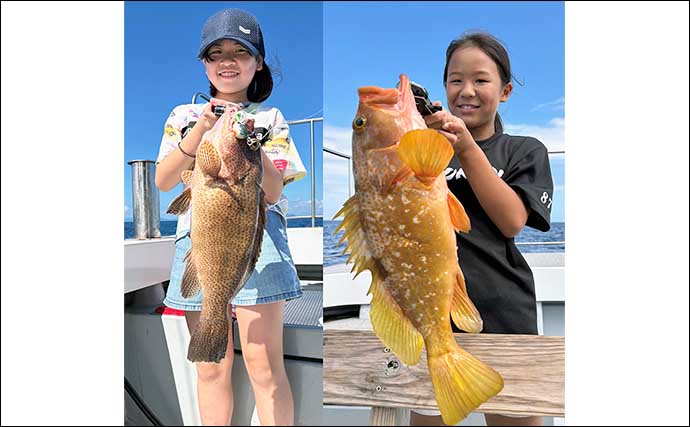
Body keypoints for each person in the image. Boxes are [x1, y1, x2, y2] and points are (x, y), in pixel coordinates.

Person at [154, 8, 307, 426]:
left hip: (261, 249)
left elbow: (274, 191)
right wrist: (201, 130)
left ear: (257, 62)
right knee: (211, 367)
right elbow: (166, 180)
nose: (227, 60)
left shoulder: (270, 120)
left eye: (240, 51)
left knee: (263, 364)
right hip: (198, 248)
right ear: (203, 63)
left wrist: (252, 148)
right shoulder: (184, 117)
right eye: (215, 52)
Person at [409, 32, 554, 427]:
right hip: (431, 314)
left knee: (515, 418)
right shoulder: (423, 153)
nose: (466, 91)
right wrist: (413, 138)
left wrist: (468, 149)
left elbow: (512, 221)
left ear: (504, 91)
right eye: (455, 80)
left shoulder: (524, 150)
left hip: (504, 311)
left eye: (481, 80)